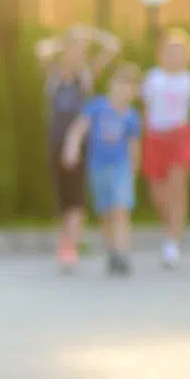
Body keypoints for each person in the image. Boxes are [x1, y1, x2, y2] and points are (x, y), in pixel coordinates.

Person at [36, 25, 121, 269]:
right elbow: (40, 50)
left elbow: (112, 46)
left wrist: (90, 33)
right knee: (61, 197)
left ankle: (70, 246)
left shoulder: (87, 76)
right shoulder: (52, 76)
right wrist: (63, 40)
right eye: (73, 49)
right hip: (55, 143)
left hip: (81, 145)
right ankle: (65, 242)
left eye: (81, 50)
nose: (77, 54)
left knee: (76, 196)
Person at [62, 63, 143, 277]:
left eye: (129, 86)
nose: (123, 90)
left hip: (120, 167)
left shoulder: (131, 116)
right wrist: (72, 146)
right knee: (106, 212)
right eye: (120, 84)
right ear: (111, 85)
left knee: (120, 209)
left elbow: (134, 146)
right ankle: (111, 252)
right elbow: (79, 128)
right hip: (98, 167)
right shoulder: (97, 107)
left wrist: (133, 171)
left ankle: (122, 252)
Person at [140, 28, 190, 270]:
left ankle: (173, 242)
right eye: (170, 51)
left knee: (177, 190)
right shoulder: (153, 78)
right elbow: (145, 110)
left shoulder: (189, 80)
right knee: (158, 193)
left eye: (179, 52)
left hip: (179, 136)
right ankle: (167, 230)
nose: (174, 56)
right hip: (156, 138)